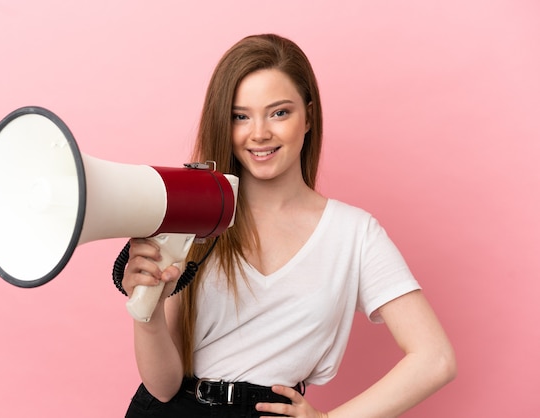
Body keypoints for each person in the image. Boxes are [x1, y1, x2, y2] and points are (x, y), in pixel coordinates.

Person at [121, 33, 456, 418]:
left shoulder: (355, 235)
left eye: (279, 112)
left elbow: (436, 358)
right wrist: (146, 311)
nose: (259, 133)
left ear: (309, 116)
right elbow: (162, 388)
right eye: (240, 116)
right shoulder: (197, 217)